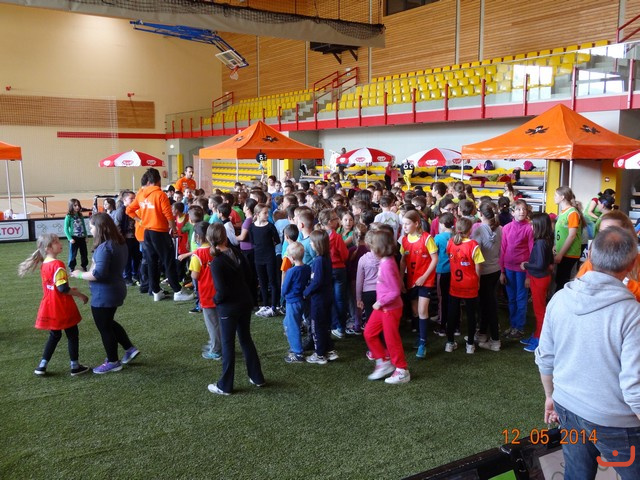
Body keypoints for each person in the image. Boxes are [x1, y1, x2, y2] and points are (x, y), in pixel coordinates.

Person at [535, 226, 640, 480]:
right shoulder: (631, 314)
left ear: (589, 255)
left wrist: (550, 396)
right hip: (614, 420)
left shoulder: (560, 298)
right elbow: (633, 386)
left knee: (576, 475)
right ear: (632, 264)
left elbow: (545, 357)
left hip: (567, 406)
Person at [72, 213, 139, 374]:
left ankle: (113, 361)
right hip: (116, 289)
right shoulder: (119, 243)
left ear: (99, 228)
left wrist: (79, 274)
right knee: (108, 322)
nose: (90, 229)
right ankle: (129, 348)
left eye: (92, 226)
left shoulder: (105, 247)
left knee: (104, 327)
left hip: (105, 294)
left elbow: (98, 274)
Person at [18, 234, 90, 376]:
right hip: (62, 306)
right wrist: (80, 295)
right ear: (48, 248)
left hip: (49, 305)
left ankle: (42, 366)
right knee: (72, 335)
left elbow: (55, 286)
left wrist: (69, 288)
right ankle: (75, 366)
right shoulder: (58, 264)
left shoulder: (45, 264)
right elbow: (62, 289)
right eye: (56, 242)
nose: (60, 243)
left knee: (54, 335)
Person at [206, 223, 265, 395]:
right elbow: (250, 277)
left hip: (229, 307)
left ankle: (225, 385)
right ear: (225, 236)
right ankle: (257, 377)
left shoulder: (217, 262)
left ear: (210, 239)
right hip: (244, 302)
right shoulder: (236, 252)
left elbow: (222, 291)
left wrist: (216, 300)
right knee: (246, 339)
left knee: (228, 345)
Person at [126, 167, 194, 303]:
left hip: (147, 232)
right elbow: (169, 215)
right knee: (168, 261)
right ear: (158, 180)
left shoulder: (141, 194)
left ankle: (156, 291)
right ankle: (177, 291)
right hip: (160, 232)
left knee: (152, 262)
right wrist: (174, 230)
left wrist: (141, 221)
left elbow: (129, 210)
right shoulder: (160, 195)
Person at [364, 229, 410, 384]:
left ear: (379, 247)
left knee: (392, 340)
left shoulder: (388, 264)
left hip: (390, 309)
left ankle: (402, 370)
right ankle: (383, 362)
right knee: (369, 333)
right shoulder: (385, 261)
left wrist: (380, 302)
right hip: (383, 308)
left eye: (372, 247)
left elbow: (395, 291)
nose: (371, 250)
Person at [400, 210, 438, 359]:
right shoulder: (404, 240)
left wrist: (424, 277)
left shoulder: (427, 238)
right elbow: (403, 261)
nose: (404, 226)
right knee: (415, 311)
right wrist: (400, 279)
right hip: (411, 280)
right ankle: (420, 336)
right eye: (403, 224)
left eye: (407, 224)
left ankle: (422, 342)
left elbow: (435, 259)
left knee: (422, 311)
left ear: (416, 223)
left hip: (425, 280)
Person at [445, 217, 484, 354]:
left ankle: (450, 343)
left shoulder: (450, 243)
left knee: (452, 314)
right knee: (471, 315)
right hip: (470, 284)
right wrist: (478, 280)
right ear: (470, 230)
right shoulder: (473, 245)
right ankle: (470, 345)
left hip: (455, 284)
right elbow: (478, 266)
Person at [520, 212, 554, 353]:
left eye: (533, 225)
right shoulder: (545, 240)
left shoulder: (540, 243)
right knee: (539, 310)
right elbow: (549, 262)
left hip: (539, 279)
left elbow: (540, 265)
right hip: (540, 278)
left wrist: (526, 265)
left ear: (539, 226)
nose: (531, 227)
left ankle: (540, 339)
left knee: (539, 312)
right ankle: (537, 335)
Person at [500, 199, 533, 339]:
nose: (522, 212)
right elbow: (503, 249)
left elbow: (532, 252)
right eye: (518, 209)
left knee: (521, 298)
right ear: (512, 212)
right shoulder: (506, 228)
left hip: (522, 271)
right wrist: (502, 271)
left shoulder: (529, 228)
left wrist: (528, 275)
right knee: (511, 299)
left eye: (524, 209)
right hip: (508, 269)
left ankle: (519, 327)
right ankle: (513, 325)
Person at [472, 202, 503, 352]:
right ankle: (483, 333)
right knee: (486, 304)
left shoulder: (478, 230)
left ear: (481, 214)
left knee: (489, 306)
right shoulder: (500, 229)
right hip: (495, 270)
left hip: (483, 272)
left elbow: (474, 253)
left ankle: (495, 340)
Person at [303, 230, 337, 365]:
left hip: (319, 299)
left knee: (317, 326)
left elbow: (317, 281)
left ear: (317, 244)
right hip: (327, 296)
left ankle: (320, 354)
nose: (310, 244)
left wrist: (306, 292)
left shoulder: (318, 261)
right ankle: (329, 350)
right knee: (325, 325)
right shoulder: (326, 258)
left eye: (311, 242)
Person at [189, 222, 221, 361]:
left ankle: (216, 350)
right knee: (221, 321)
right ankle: (222, 345)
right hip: (221, 290)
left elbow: (195, 275)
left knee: (212, 323)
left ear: (197, 237)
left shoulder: (197, 254)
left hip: (207, 293)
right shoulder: (218, 249)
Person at [281, 242, 311, 363]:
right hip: (302, 299)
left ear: (292, 258)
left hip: (292, 301)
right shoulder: (307, 268)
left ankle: (297, 352)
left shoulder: (291, 271)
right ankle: (297, 346)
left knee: (292, 326)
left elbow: (285, 287)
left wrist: (283, 294)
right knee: (289, 322)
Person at [251, 204, 281, 318]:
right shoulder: (252, 227)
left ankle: (274, 306)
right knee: (262, 282)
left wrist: (268, 245)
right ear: (257, 214)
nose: (267, 215)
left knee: (272, 281)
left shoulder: (270, 226)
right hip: (258, 257)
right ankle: (265, 305)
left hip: (269, 257)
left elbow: (277, 240)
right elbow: (252, 241)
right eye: (265, 213)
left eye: (267, 212)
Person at [553, 186, 584, 292]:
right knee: (559, 279)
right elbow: (562, 233)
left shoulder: (572, 213)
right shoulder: (563, 212)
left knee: (562, 282)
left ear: (562, 197)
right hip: (562, 251)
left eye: (556, 195)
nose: (554, 197)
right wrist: (556, 245)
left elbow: (572, 235)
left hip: (569, 253)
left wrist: (560, 254)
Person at [433, 212, 454, 338]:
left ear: (442, 224)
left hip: (442, 271)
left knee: (442, 299)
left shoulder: (438, 238)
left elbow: (432, 253)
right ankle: (455, 325)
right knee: (454, 298)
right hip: (455, 271)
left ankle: (442, 326)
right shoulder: (456, 236)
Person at [64, 198, 88, 272]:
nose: (77, 207)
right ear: (71, 206)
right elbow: (65, 229)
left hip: (82, 237)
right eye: (75, 205)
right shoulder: (68, 216)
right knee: (73, 253)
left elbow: (83, 226)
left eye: (78, 205)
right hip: (74, 238)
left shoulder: (80, 215)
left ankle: (84, 266)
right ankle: (72, 267)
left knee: (84, 253)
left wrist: (86, 236)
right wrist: (70, 238)